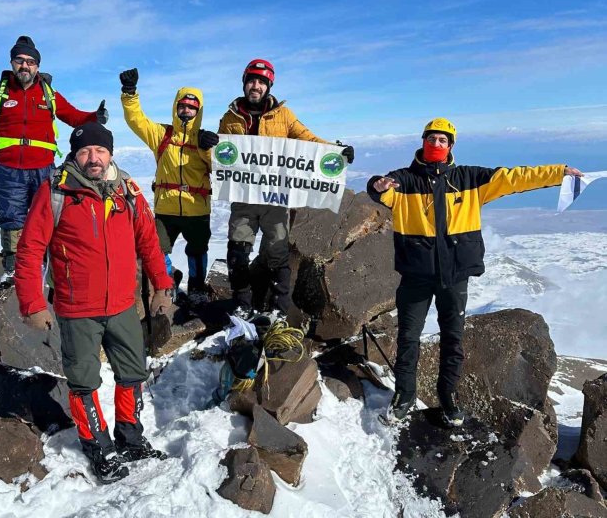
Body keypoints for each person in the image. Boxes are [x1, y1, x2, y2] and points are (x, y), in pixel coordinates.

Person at [367, 117, 583, 427]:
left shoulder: (469, 179)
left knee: (453, 340)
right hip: (416, 274)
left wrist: (558, 173)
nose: (436, 145)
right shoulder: (404, 180)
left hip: (454, 276)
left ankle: (448, 397)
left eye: (443, 140)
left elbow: (514, 178)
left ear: (451, 145)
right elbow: (382, 191)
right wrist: (377, 184)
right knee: (408, 337)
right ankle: (404, 396)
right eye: (431, 139)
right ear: (423, 142)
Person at [14, 122, 173, 483]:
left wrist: (162, 286)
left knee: (132, 373)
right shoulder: (56, 191)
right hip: (77, 308)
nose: (93, 158)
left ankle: (130, 437)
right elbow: (30, 251)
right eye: (85, 151)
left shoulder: (127, 192)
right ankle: (97, 445)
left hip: (122, 305)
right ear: (74, 155)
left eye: (100, 150)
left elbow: (149, 241)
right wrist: (32, 303)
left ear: (110, 153)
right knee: (84, 382)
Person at [0, 35, 108, 284]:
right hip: (8, 169)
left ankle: (49, 263)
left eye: (30, 61)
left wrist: (95, 116)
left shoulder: (48, 94)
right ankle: (14, 267)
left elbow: (73, 116)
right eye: (20, 60)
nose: (25, 66)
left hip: (43, 169)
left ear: (37, 66)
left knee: (47, 216)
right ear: (12, 63)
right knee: (12, 217)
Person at [218, 59, 355, 317]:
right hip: (244, 198)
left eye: (261, 82)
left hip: (274, 197)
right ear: (244, 83)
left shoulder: (283, 115)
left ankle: (279, 309)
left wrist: (336, 152)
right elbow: (221, 156)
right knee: (237, 252)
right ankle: (241, 306)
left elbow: (308, 139)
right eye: (251, 80)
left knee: (277, 254)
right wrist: (208, 144)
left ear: (268, 86)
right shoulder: (230, 117)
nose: (255, 86)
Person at [119, 68, 219, 305]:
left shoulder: (205, 139)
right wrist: (129, 93)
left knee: (197, 251)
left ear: (199, 111)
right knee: (158, 250)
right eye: (182, 106)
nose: (186, 111)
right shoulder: (162, 135)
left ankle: (196, 288)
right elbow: (136, 120)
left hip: (197, 210)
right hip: (166, 209)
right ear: (176, 107)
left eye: (192, 107)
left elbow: (218, 168)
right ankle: (166, 284)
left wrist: (208, 148)